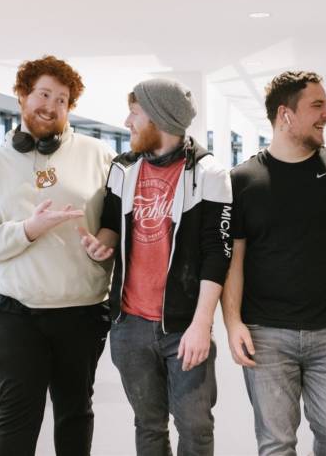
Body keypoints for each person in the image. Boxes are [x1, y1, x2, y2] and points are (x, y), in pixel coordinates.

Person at [222, 70, 326, 456]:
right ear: (286, 114)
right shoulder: (242, 180)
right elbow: (234, 261)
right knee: (276, 442)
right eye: (318, 105)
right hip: (265, 333)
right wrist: (232, 323)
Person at [0, 55, 114, 456]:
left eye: (62, 100)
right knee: (15, 419)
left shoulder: (98, 155)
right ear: (22, 96)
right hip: (17, 314)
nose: (51, 106)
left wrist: (106, 244)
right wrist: (28, 229)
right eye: (43, 94)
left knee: (75, 414)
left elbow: (117, 221)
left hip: (81, 311)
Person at [80, 78, 232, 455]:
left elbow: (218, 253)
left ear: (158, 118)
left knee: (195, 427)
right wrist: (102, 243)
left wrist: (201, 325)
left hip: (184, 325)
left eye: (134, 113)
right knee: (148, 424)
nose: (127, 122)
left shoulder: (209, 174)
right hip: (130, 324)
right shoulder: (123, 168)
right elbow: (112, 224)